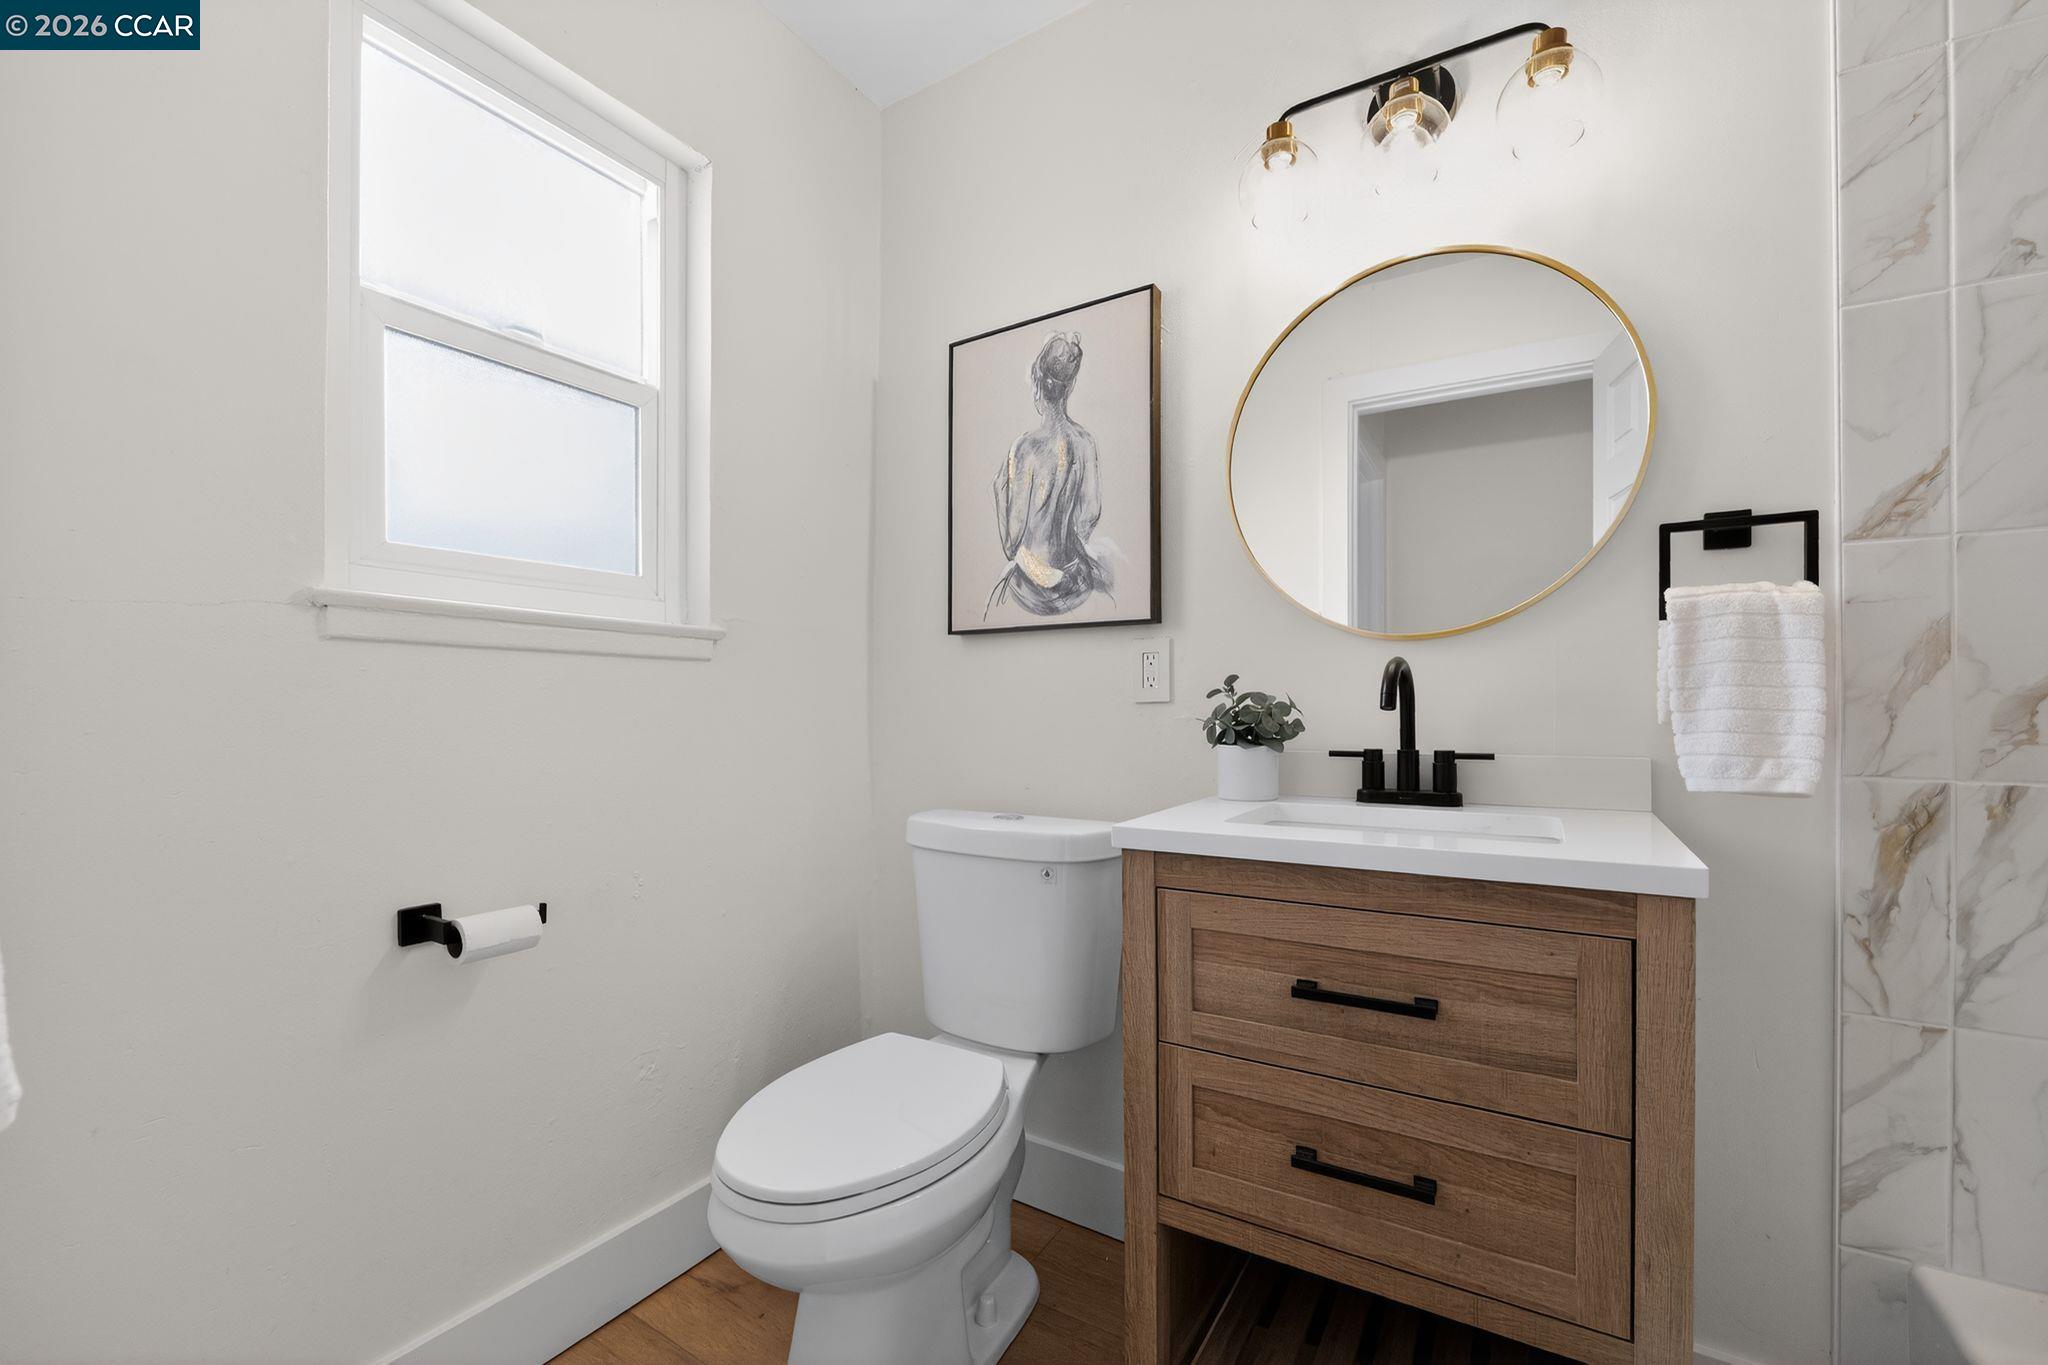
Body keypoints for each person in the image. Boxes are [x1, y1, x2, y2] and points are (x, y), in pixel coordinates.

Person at [986, 331, 1112, 618]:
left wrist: (998, 493)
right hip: (1073, 580)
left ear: (1037, 382)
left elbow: (1011, 544)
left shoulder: (1025, 447)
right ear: (1070, 386)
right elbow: (1090, 513)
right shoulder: (1085, 441)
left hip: (1032, 589)